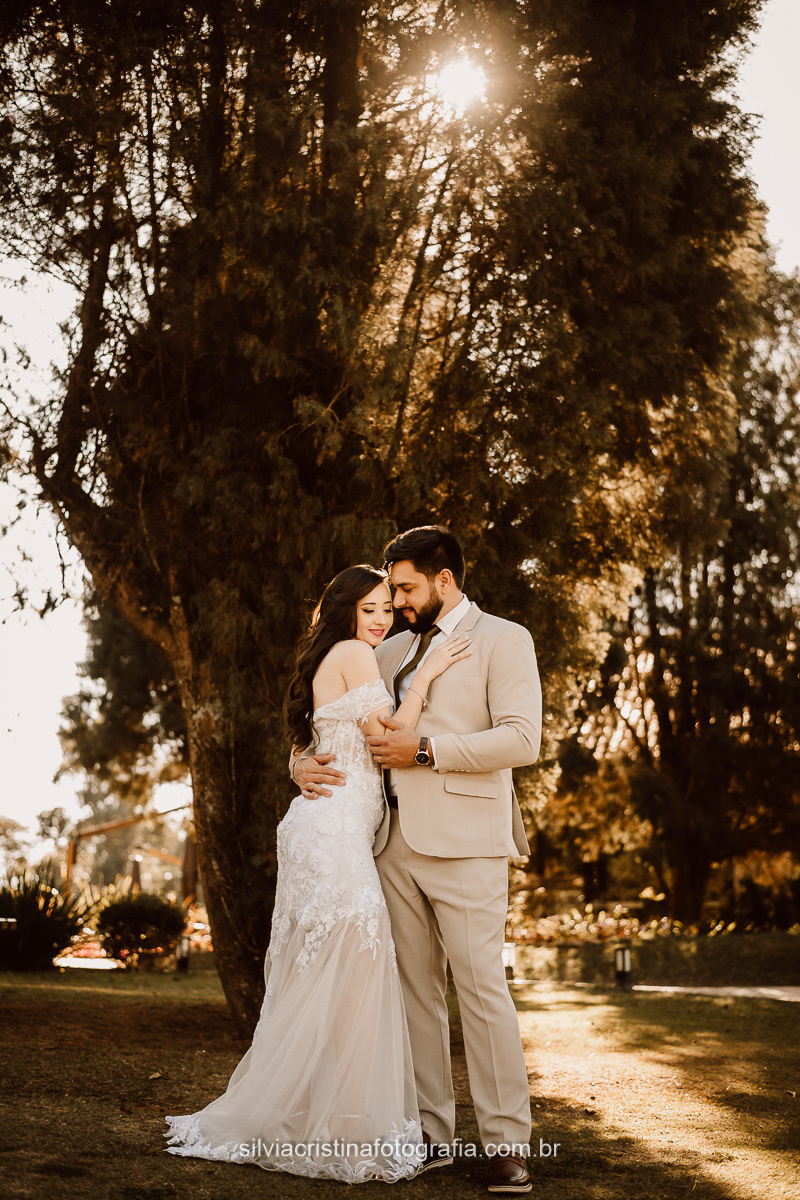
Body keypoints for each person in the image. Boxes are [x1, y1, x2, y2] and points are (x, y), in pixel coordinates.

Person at [163, 564, 472, 1183]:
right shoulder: (356, 654)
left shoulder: (335, 655)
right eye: (370, 609)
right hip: (331, 837)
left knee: (330, 980)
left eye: (388, 607)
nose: (383, 619)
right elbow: (391, 738)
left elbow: (314, 742)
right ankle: (340, 1127)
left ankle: (322, 1117)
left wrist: (296, 763)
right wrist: (430, 674)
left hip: (325, 828)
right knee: (356, 976)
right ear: (344, 613)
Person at [294, 526, 542, 1195]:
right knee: (416, 997)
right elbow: (335, 716)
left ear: (444, 578)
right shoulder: (392, 647)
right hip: (385, 843)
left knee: (482, 991)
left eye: (405, 587)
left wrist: (426, 751)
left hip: (466, 842)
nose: (397, 601)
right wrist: (299, 762)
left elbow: (522, 738)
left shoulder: (505, 638)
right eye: (392, 589)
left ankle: (506, 1145)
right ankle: (432, 1134)